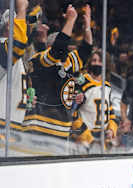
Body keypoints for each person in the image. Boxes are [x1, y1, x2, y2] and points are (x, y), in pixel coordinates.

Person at [22, 4, 92, 140]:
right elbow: (57, 50)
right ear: (49, 46)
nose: (66, 50)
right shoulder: (39, 59)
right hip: (38, 125)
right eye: (64, 46)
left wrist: (87, 26)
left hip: (62, 127)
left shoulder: (68, 62)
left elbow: (86, 49)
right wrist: (70, 21)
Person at [71, 50, 118, 147]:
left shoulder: (107, 86)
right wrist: (86, 136)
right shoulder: (81, 82)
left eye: (100, 61)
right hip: (84, 140)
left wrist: (111, 130)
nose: (97, 63)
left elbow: (111, 113)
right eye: (94, 60)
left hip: (103, 139)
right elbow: (73, 114)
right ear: (90, 63)